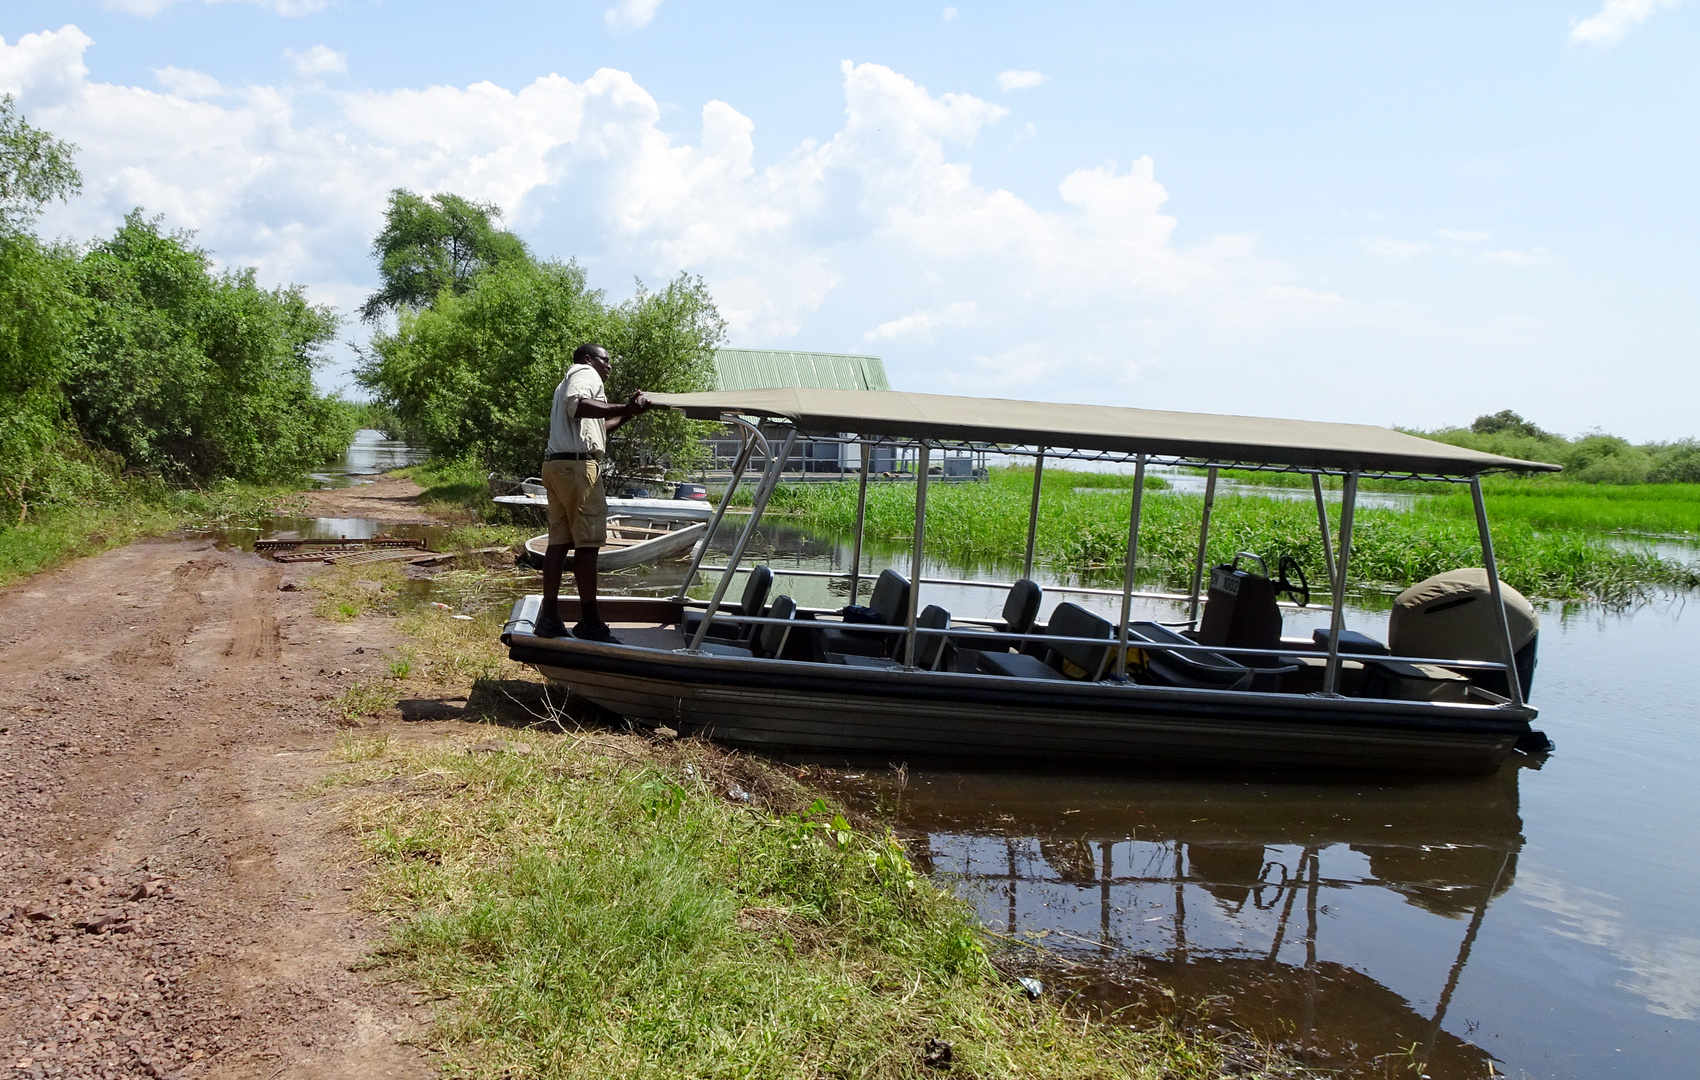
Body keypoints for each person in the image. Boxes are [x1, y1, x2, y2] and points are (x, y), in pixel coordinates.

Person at [534, 343, 651, 642]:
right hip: (577, 469)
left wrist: (629, 413)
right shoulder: (586, 373)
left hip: (556, 466)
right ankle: (590, 622)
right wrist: (625, 406)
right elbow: (579, 405)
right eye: (606, 360)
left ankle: (549, 617)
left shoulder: (568, 380)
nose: (609, 366)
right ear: (589, 359)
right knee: (588, 544)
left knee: (559, 542)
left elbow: (598, 427)